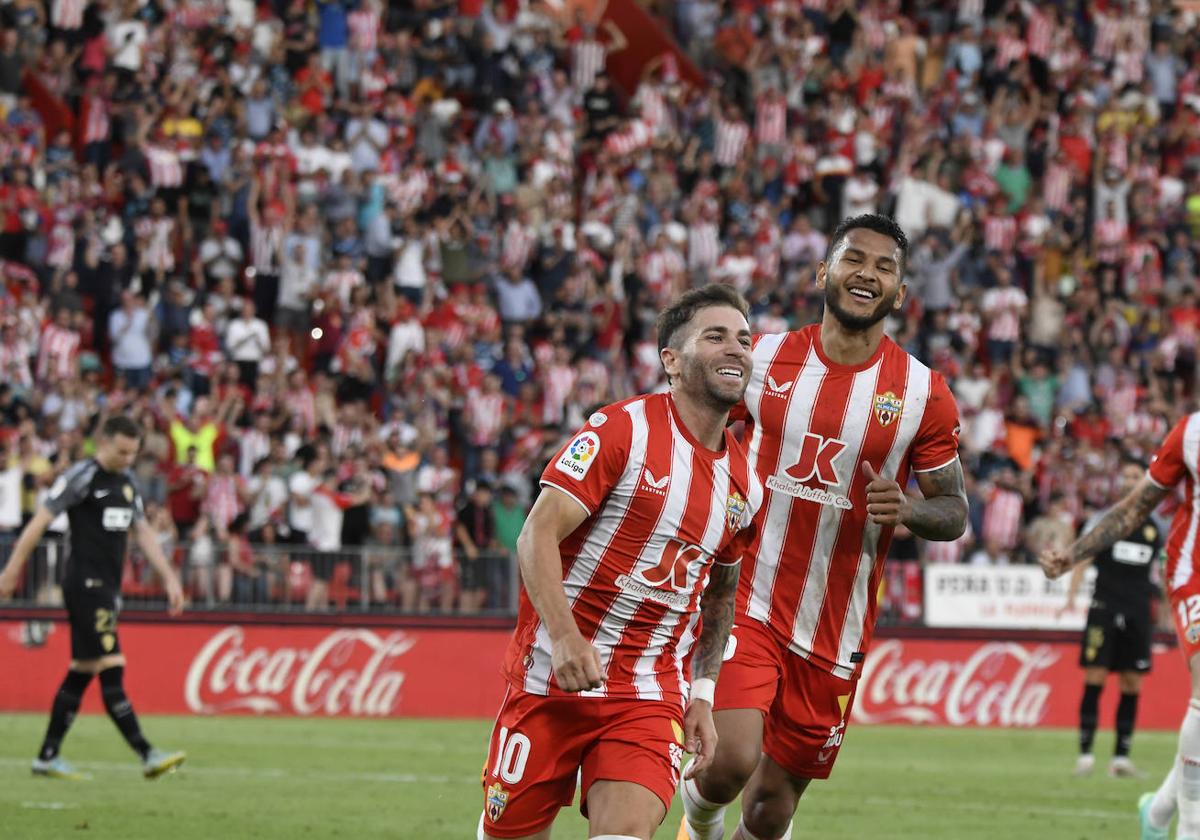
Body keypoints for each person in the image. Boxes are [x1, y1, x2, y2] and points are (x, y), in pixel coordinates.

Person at [679, 214, 967, 840]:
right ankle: (698, 827)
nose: (867, 273)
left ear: (901, 294)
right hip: (747, 597)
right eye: (853, 259)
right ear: (823, 272)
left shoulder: (923, 394)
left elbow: (954, 511)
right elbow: (690, 434)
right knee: (729, 760)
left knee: (771, 808)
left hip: (835, 625)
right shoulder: (763, 359)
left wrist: (910, 509)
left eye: (884, 267)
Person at [478, 284, 764, 840]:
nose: (737, 348)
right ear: (672, 361)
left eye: (744, 339)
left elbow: (720, 596)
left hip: (648, 695)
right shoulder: (622, 430)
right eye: (716, 336)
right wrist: (563, 637)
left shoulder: (744, 487)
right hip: (549, 680)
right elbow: (536, 533)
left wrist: (702, 697)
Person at [1040, 412, 1200, 840]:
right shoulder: (1191, 433)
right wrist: (1071, 556)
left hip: (1138, 609)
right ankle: (1190, 829)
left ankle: (1159, 810)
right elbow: (1131, 511)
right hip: (1193, 572)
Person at [0, 415, 187, 780]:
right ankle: (146, 753)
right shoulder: (81, 477)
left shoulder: (128, 481)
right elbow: (39, 522)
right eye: (121, 451)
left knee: (83, 671)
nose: (127, 459)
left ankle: (47, 756)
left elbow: (144, 532)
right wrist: (10, 570)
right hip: (85, 585)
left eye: (132, 453)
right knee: (112, 666)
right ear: (103, 443)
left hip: (107, 587)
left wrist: (169, 577)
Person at [1060, 455, 1162, 779]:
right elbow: (1083, 557)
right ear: (1120, 483)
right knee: (1096, 677)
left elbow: (1161, 570)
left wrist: (1168, 614)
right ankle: (1086, 756)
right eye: (1127, 476)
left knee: (1132, 681)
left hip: (1138, 612)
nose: (1131, 482)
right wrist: (1071, 597)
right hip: (1104, 609)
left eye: (1137, 477)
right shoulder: (1105, 521)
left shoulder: (1154, 528)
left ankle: (1120, 759)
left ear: (1144, 483)